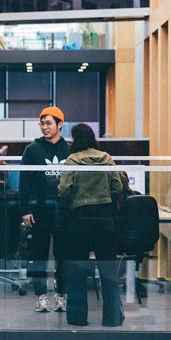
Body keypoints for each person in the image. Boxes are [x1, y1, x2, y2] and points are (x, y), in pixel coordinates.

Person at [57, 123, 124, 327]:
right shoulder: (106, 158)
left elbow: (64, 190)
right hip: (104, 219)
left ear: (76, 139)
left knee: (77, 270)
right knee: (108, 271)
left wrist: (72, 204)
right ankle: (112, 318)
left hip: (79, 218)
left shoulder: (72, 160)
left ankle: (78, 318)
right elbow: (117, 186)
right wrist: (105, 201)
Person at [19, 106, 71, 313]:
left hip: (64, 211)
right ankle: (41, 296)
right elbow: (24, 182)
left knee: (63, 254)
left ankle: (61, 295)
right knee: (39, 254)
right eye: (42, 123)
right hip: (39, 211)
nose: (44, 127)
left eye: (48, 123)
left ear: (60, 124)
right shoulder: (32, 150)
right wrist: (25, 209)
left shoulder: (70, 149)